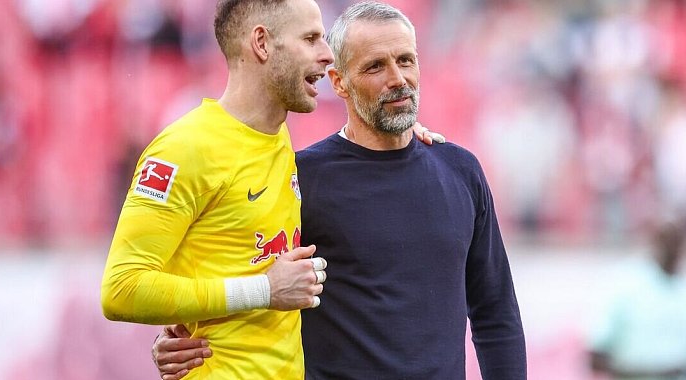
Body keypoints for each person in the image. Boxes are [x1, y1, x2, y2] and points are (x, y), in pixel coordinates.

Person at [151, 2, 527, 379]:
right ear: (339, 82)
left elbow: (495, 311)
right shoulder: (300, 179)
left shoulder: (460, 171)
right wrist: (182, 333)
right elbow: (245, 278)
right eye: (375, 66)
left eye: (406, 60)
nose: (397, 78)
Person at [100, 1, 439, 378]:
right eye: (310, 39)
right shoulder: (184, 150)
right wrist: (262, 290)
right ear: (262, 43)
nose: (327, 55)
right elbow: (122, 288)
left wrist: (403, 140)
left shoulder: (279, 143)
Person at [588, 217, 686, 380]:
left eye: (676, 240)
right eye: (666, 239)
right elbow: (596, 352)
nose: (671, 247)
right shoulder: (625, 284)